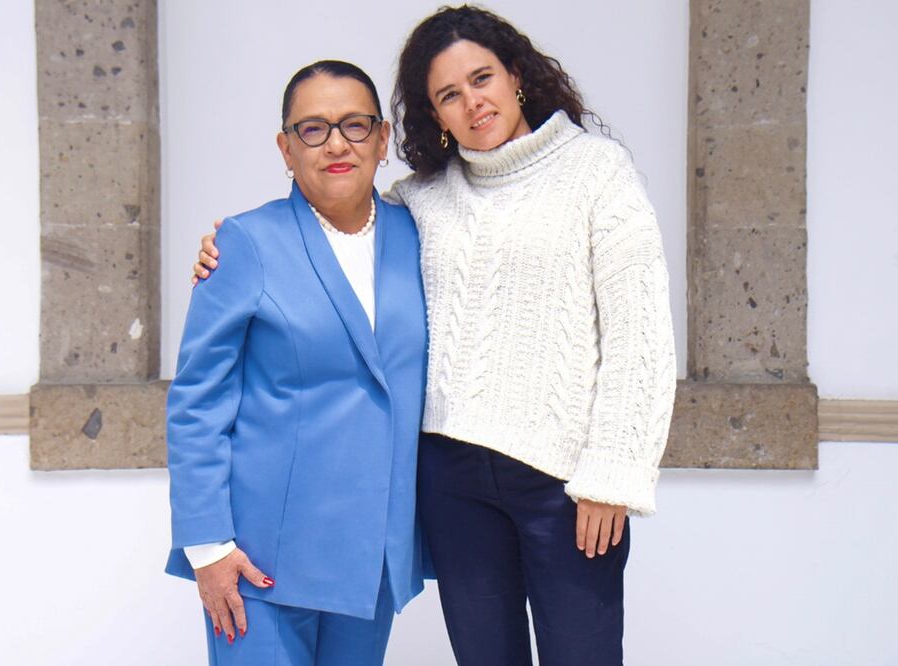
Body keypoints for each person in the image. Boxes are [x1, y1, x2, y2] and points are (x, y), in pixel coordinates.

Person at [193, 6, 676, 664]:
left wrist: (613, 476)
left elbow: (639, 337)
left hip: (564, 484)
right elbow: (336, 235)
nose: (472, 102)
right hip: (451, 482)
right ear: (432, 115)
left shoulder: (597, 172)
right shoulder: (419, 199)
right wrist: (227, 250)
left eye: (481, 79)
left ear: (516, 76)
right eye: (448, 94)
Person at [167, 60, 429, 666]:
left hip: (374, 554)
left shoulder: (420, 236)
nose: (337, 142)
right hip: (260, 561)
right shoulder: (245, 242)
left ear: (383, 138)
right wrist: (207, 546)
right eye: (312, 129)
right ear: (286, 148)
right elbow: (196, 403)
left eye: (355, 125)